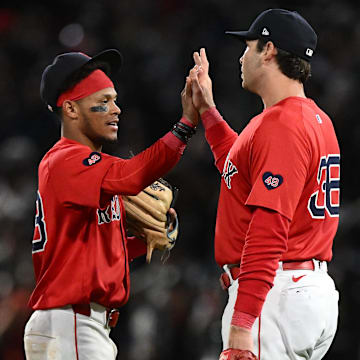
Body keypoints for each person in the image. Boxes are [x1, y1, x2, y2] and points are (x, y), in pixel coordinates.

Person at [23, 48, 198, 359]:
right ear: (71, 110)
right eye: (102, 102)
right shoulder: (66, 160)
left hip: (75, 326)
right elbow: (132, 177)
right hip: (72, 324)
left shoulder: (89, 173)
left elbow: (96, 252)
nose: (116, 109)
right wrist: (184, 126)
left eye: (115, 99)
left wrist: (143, 240)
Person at [187, 8, 340, 360]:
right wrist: (208, 112)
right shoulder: (315, 119)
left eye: (249, 46)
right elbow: (239, 170)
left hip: (274, 296)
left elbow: (269, 227)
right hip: (306, 290)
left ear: (268, 51)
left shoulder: (281, 124)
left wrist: (243, 319)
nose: (242, 56)